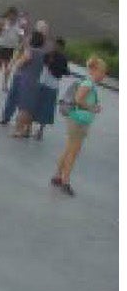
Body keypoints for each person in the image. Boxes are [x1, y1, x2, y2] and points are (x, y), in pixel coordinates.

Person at [52, 56, 108, 195]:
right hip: (79, 121)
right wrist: (92, 108)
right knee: (73, 152)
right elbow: (78, 99)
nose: (103, 75)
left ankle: (58, 175)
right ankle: (65, 181)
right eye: (102, 72)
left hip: (77, 119)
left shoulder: (88, 83)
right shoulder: (88, 84)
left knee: (69, 149)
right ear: (94, 70)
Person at [0, 9, 24, 91]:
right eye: (11, 15)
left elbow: (21, 35)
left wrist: (20, 44)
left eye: (14, 15)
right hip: (2, 45)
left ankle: (5, 85)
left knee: (7, 66)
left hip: (11, 48)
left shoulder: (19, 25)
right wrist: (0, 32)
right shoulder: (4, 22)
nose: (12, 17)